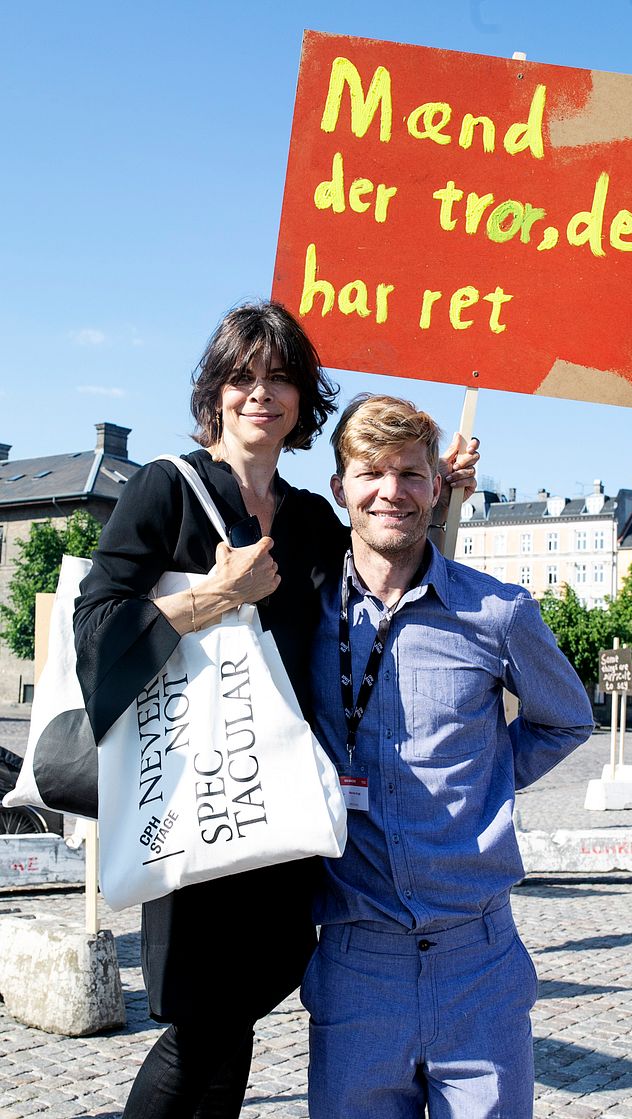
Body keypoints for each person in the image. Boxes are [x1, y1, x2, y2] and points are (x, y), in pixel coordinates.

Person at [73, 304, 478, 1119]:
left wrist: (441, 500)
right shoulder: (165, 489)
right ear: (215, 393)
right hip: (195, 792)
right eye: (242, 377)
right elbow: (95, 631)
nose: (261, 392)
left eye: (280, 377)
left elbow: (385, 587)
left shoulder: (308, 521)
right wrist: (219, 594)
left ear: (302, 398)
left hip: (279, 800)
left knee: (238, 1023)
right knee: (199, 1028)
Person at [303, 394, 595, 1119]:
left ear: (439, 486)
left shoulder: (499, 612)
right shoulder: (299, 613)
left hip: (480, 963)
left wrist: (489, 774)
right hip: (355, 963)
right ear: (340, 489)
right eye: (370, 471)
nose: (391, 490)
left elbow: (565, 720)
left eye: (410, 472)